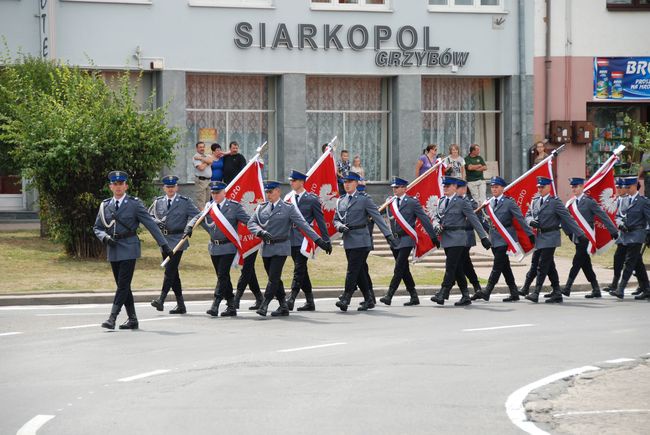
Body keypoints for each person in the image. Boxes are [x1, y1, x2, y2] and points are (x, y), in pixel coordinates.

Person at [93, 171, 173, 330]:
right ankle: (133, 319)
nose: (118, 187)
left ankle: (112, 317)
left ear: (126, 186)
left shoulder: (134, 204)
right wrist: (104, 238)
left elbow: (150, 224)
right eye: (115, 184)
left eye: (121, 184)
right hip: (113, 247)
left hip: (129, 246)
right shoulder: (105, 205)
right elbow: (97, 227)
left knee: (122, 284)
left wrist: (163, 244)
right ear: (110, 186)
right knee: (124, 285)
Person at [248, 181, 332, 317]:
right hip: (266, 247)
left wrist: (319, 241)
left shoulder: (288, 208)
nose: (268, 195)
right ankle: (283, 305)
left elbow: (304, 225)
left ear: (278, 191)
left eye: (271, 192)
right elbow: (251, 223)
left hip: (281, 247)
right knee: (273, 278)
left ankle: (265, 304)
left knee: (274, 277)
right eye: (267, 192)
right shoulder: (261, 208)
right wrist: (260, 232)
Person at [186, 181, 251, 317]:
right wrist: (190, 226)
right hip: (214, 247)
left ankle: (215, 304)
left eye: (217, 192)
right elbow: (199, 217)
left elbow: (248, 221)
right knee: (223, 276)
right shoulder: (210, 206)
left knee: (222, 275)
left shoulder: (234, 207)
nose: (215, 195)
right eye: (213, 192)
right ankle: (231, 304)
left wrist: (260, 230)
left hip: (228, 247)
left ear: (224, 193)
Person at [334, 172, 395, 312]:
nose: (347, 184)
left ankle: (346, 297)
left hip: (361, 240)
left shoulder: (364, 199)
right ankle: (368, 299)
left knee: (352, 269)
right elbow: (336, 219)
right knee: (360, 271)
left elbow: (377, 217)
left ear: (356, 183)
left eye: (350, 181)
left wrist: (388, 235)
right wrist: (339, 226)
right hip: (348, 239)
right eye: (345, 181)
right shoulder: (341, 200)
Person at [472, 177, 535, 303]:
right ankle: (514, 292)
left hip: (505, 237)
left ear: (502, 188)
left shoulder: (509, 202)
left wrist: (530, 234)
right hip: (494, 238)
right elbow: (487, 221)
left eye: (496, 187)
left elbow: (520, 219)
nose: (494, 189)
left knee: (497, 265)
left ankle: (487, 291)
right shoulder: (488, 203)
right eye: (492, 187)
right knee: (504, 266)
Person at [430, 177, 490, 306]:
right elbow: (435, 217)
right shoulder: (441, 201)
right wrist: (436, 225)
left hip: (458, 238)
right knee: (457, 268)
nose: (445, 188)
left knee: (450, 266)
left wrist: (484, 237)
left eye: (448, 186)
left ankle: (443, 292)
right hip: (446, 238)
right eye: (444, 186)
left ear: (454, 187)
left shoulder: (461, 202)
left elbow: (474, 219)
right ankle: (465, 295)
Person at [524, 176, 585, 303]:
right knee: (549, 266)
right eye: (539, 187)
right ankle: (557, 291)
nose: (540, 189)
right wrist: (531, 222)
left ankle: (536, 292)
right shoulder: (535, 200)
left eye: (542, 187)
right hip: (540, 237)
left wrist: (580, 234)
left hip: (551, 236)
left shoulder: (555, 202)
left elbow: (568, 218)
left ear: (549, 187)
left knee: (542, 265)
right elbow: (528, 215)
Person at [379, 177, 437, 307]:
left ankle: (389, 295)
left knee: (399, 267)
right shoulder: (390, 202)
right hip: (395, 240)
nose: (395, 189)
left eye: (397, 187)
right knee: (404, 269)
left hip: (407, 238)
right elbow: (379, 214)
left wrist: (433, 237)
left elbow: (424, 219)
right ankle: (414, 295)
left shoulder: (412, 202)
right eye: (393, 187)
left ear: (404, 188)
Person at [148, 175, 201, 314]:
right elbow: (149, 216)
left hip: (179, 240)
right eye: (168, 187)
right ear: (164, 188)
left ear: (177, 187)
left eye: (173, 187)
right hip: (164, 240)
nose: (170, 189)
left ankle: (161, 299)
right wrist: (156, 222)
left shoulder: (185, 202)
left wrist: (189, 226)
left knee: (170, 269)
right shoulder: (158, 202)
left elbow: (198, 215)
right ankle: (181, 305)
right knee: (174, 273)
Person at [561, 178, 619, 299]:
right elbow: (566, 220)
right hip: (577, 238)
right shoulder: (571, 203)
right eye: (572, 187)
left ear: (582, 187)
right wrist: (569, 234)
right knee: (585, 264)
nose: (574, 189)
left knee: (576, 262)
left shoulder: (589, 202)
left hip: (587, 238)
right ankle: (596, 288)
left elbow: (603, 216)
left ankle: (567, 287)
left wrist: (612, 230)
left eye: (576, 186)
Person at [286, 170, 331, 311]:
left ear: (301, 182)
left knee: (299, 268)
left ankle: (292, 297)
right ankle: (310, 301)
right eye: (290, 181)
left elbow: (320, 220)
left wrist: (326, 240)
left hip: (305, 238)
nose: (291, 183)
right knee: (302, 270)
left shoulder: (312, 199)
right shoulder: (288, 198)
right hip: (290, 238)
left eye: (293, 181)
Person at [609, 176, 650, 300]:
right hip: (626, 234)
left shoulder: (643, 201)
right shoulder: (625, 200)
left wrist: (648, 234)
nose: (625, 189)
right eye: (625, 187)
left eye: (628, 187)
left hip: (637, 234)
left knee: (629, 262)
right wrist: (620, 224)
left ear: (633, 186)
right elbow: (620, 215)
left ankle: (620, 288)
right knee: (637, 263)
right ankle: (647, 288)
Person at [456, 179, 483, 297]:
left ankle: (447, 288)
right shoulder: (453, 201)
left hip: (466, 235)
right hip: (457, 237)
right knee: (465, 262)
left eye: (458, 188)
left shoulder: (470, 201)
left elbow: (472, 218)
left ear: (464, 189)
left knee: (459, 262)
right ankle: (476, 287)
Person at [193, 141, 213, 206]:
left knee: (207, 202)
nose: (202, 148)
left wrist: (201, 158)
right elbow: (201, 168)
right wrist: (207, 162)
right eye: (200, 147)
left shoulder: (207, 155)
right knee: (201, 202)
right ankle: (202, 216)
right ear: (197, 148)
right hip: (201, 181)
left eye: (203, 147)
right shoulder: (195, 157)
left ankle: (206, 216)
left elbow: (211, 160)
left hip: (209, 181)